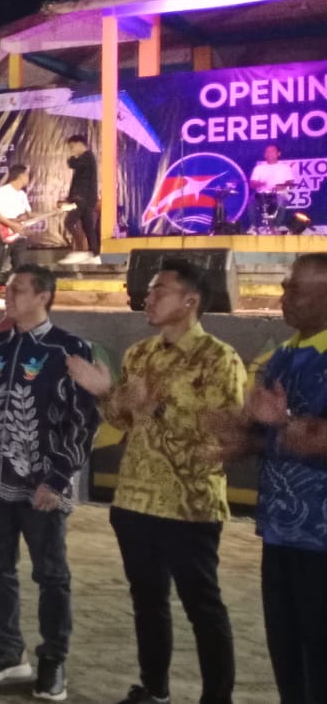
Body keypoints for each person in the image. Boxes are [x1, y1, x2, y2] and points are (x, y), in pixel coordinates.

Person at [66, 258, 241, 704]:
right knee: (147, 602)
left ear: (190, 301)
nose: (149, 297)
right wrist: (105, 393)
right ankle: (155, 689)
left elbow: (223, 432)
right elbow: (125, 421)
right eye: (149, 290)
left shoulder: (218, 358)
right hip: (135, 499)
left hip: (189, 503)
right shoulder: (140, 354)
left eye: (160, 289)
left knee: (203, 606)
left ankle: (216, 697)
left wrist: (156, 407)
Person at [0, 264, 99, 701]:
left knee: (51, 575)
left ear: (43, 296)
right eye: (8, 288)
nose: (9, 295)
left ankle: (53, 661)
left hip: (42, 487)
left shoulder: (68, 348)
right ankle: (7, 652)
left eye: (19, 289)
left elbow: (82, 421)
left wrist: (57, 478)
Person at [207, 253, 327, 703]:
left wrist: (281, 420)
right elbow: (265, 437)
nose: (284, 296)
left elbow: (314, 438)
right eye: (285, 287)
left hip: (321, 537)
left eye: (295, 289)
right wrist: (233, 436)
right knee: (288, 654)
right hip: (280, 531)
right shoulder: (284, 355)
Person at [0, 165, 34, 302]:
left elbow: (29, 214)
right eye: (26, 175)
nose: (28, 178)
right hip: (3, 233)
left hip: (18, 234)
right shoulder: (2, 192)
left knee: (20, 265)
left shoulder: (22, 194)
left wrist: (55, 212)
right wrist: (11, 225)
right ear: (20, 176)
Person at [61, 135, 100, 261]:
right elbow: (76, 181)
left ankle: (82, 249)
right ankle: (94, 253)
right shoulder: (85, 159)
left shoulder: (87, 157)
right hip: (83, 199)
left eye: (72, 147)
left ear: (80, 144)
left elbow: (72, 163)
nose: (71, 150)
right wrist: (70, 198)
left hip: (83, 199)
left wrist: (73, 157)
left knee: (70, 222)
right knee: (88, 227)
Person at [249, 145, 295, 233]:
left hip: (279, 194)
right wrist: (260, 183)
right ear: (265, 154)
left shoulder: (285, 167)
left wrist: (282, 186)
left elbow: (291, 183)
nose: (270, 153)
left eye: (272, 151)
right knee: (251, 201)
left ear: (278, 154)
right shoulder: (259, 168)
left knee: (281, 202)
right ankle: (254, 226)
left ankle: (276, 227)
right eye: (267, 152)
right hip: (262, 195)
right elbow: (252, 184)